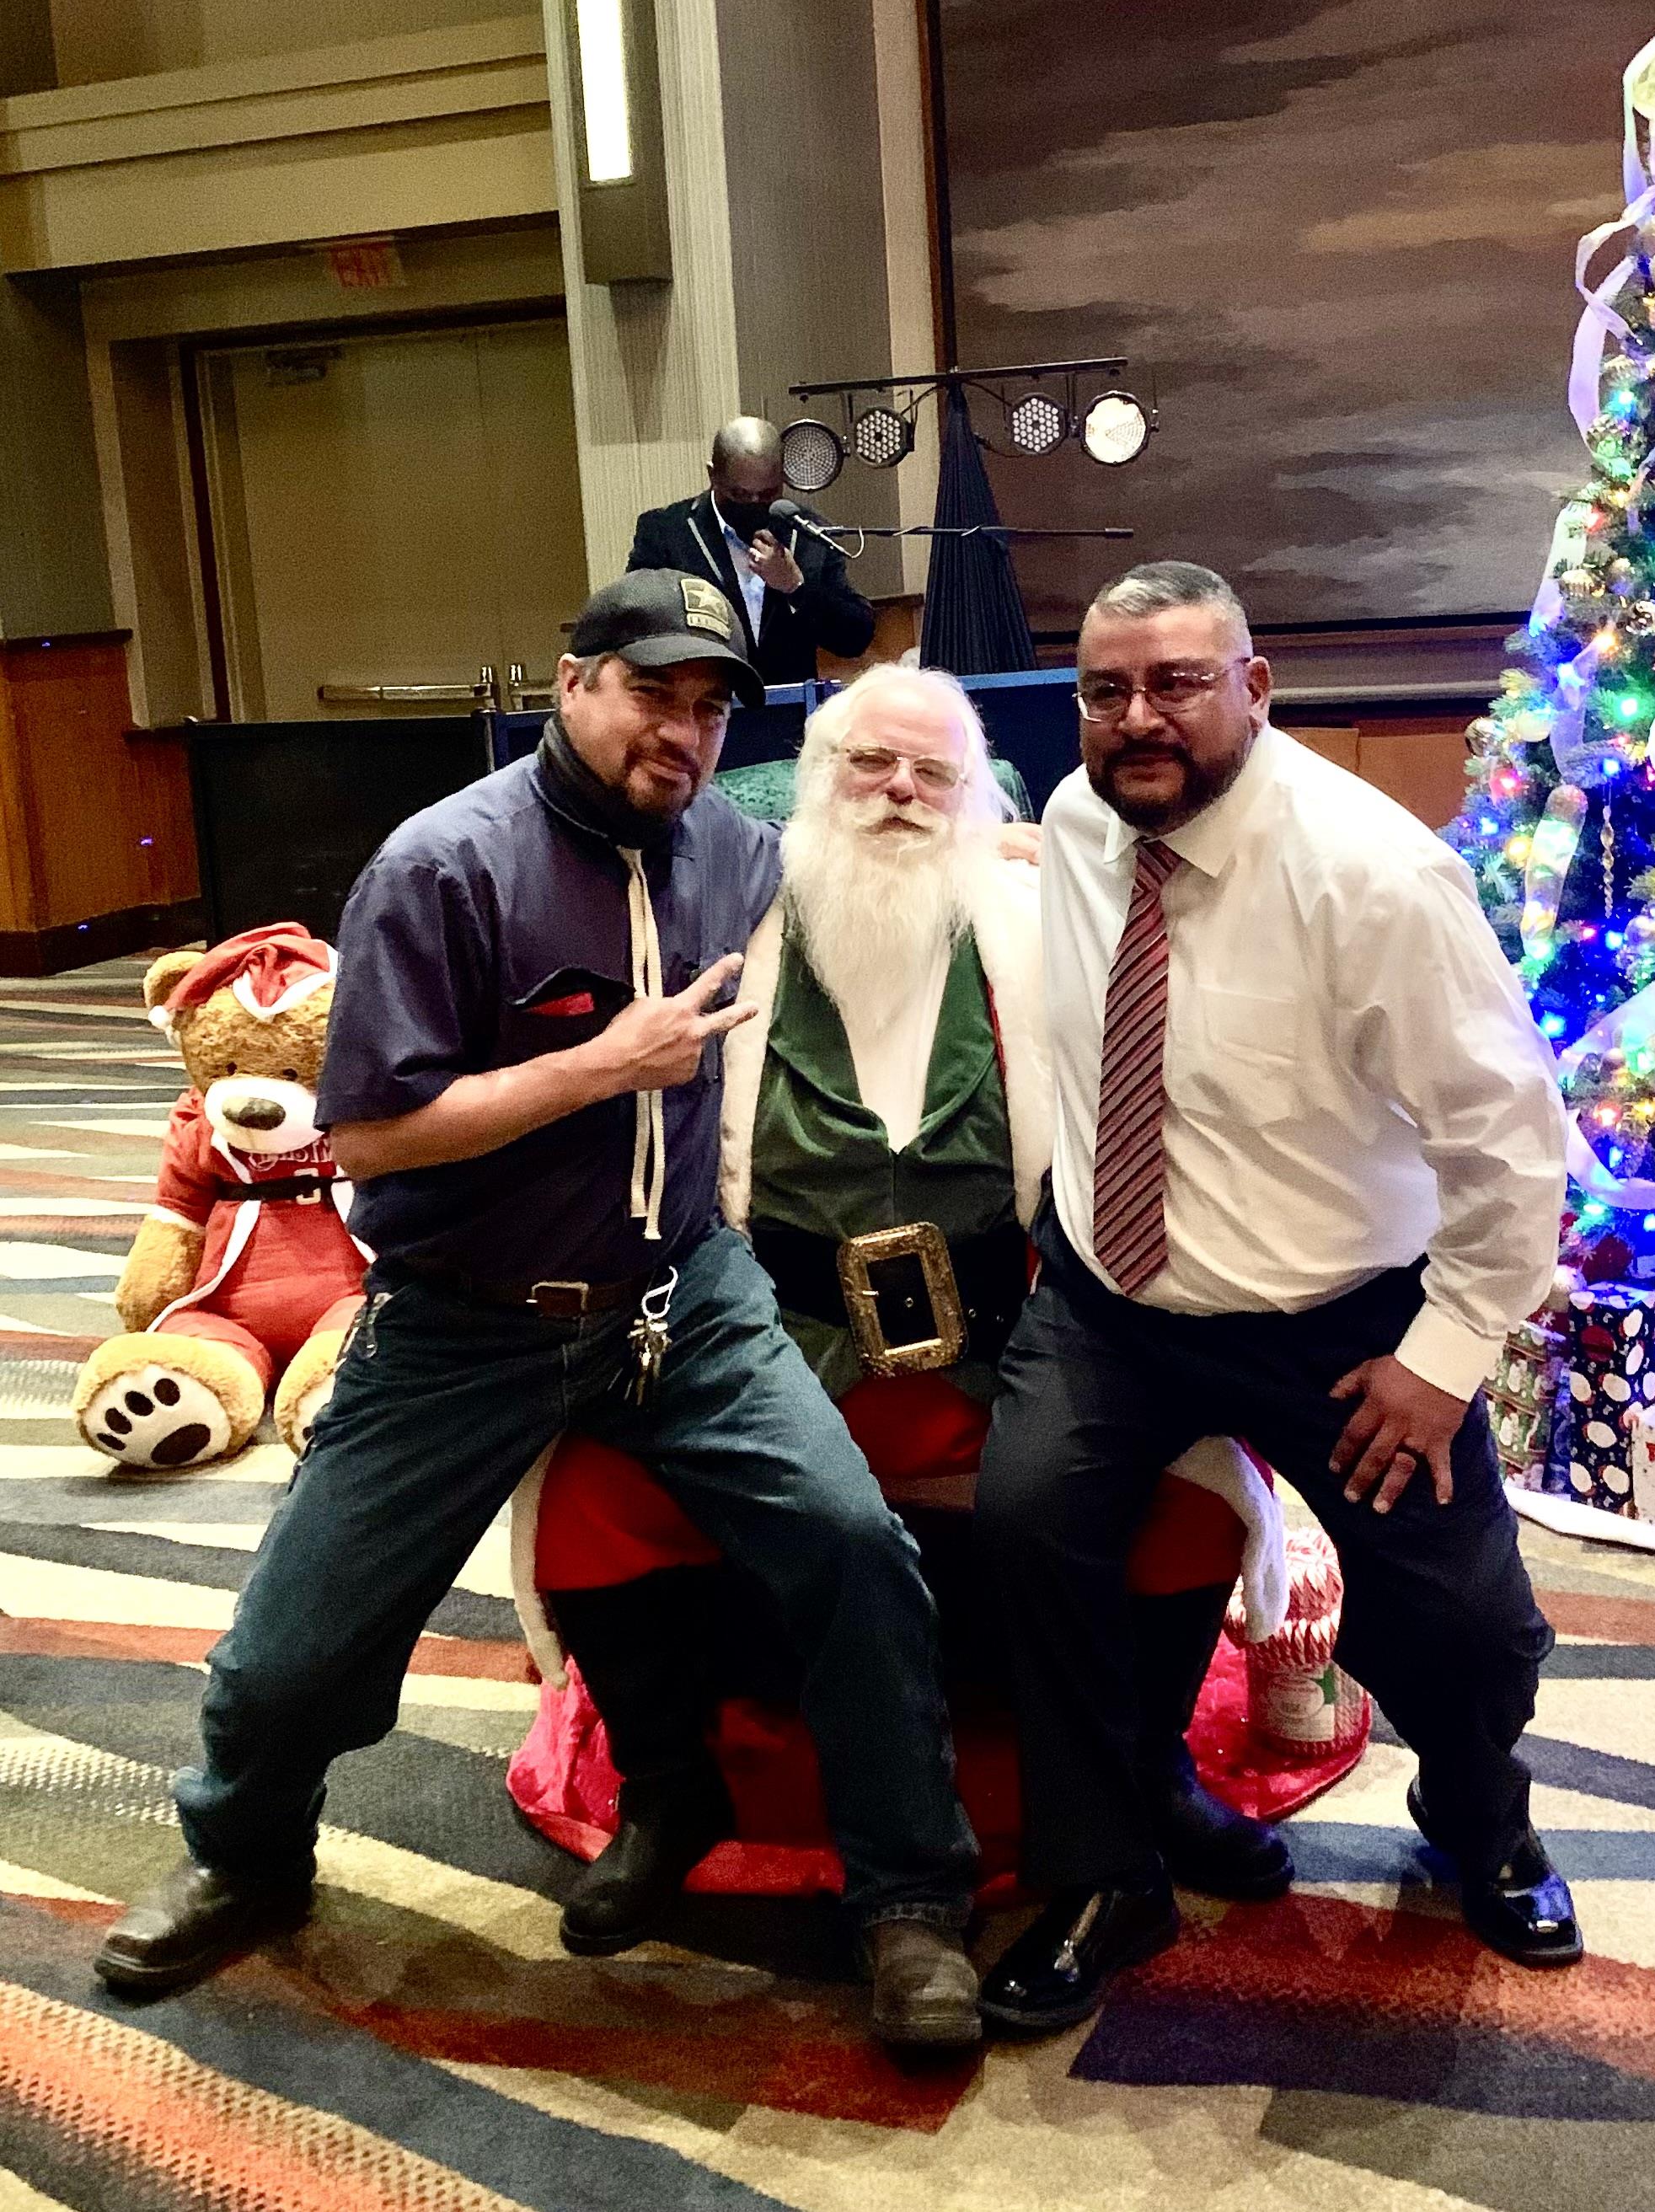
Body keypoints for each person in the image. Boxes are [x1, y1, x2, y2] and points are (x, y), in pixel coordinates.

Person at [92, 570, 983, 2052]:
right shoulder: (442, 868)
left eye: (709, 708)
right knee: (288, 1659)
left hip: (682, 1301)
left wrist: (990, 841)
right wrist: (596, 1068)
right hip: (464, 1321)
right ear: (575, 684)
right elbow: (367, 1138)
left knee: (852, 1550)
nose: (683, 733)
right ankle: (244, 1857)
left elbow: (879, 829)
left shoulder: (734, 854)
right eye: (653, 693)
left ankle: (912, 1903)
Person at [528, 664, 1290, 1951]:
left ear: (976, 789)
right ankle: (670, 1797)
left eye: (932, 772)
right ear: (809, 781)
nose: (898, 793)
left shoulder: (1042, 912)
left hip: (1004, 1335)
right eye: (866, 765)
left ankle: (1147, 1771)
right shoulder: (727, 916)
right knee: (594, 1483)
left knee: (1187, 1484)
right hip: (771, 1335)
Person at [974, 560, 1577, 2035]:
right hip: (1114, 1302)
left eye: (1177, 681)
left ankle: (1481, 1809)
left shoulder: (1373, 876)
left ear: (1255, 686)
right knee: (1027, 1520)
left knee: (1463, 1624)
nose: (1137, 719)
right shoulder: (1073, 824)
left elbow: (1510, 1139)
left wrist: (1442, 1359)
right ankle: (1107, 1872)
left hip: (1340, 1321)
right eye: (1105, 691)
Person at [628, 415, 875, 684]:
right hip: (700, 705)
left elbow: (854, 638)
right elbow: (637, 626)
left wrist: (795, 587)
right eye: (741, 495)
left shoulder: (807, 533)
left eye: (768, 494)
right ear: (713, 476)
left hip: (788, 711)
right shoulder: (666, 532)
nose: (755, 504)